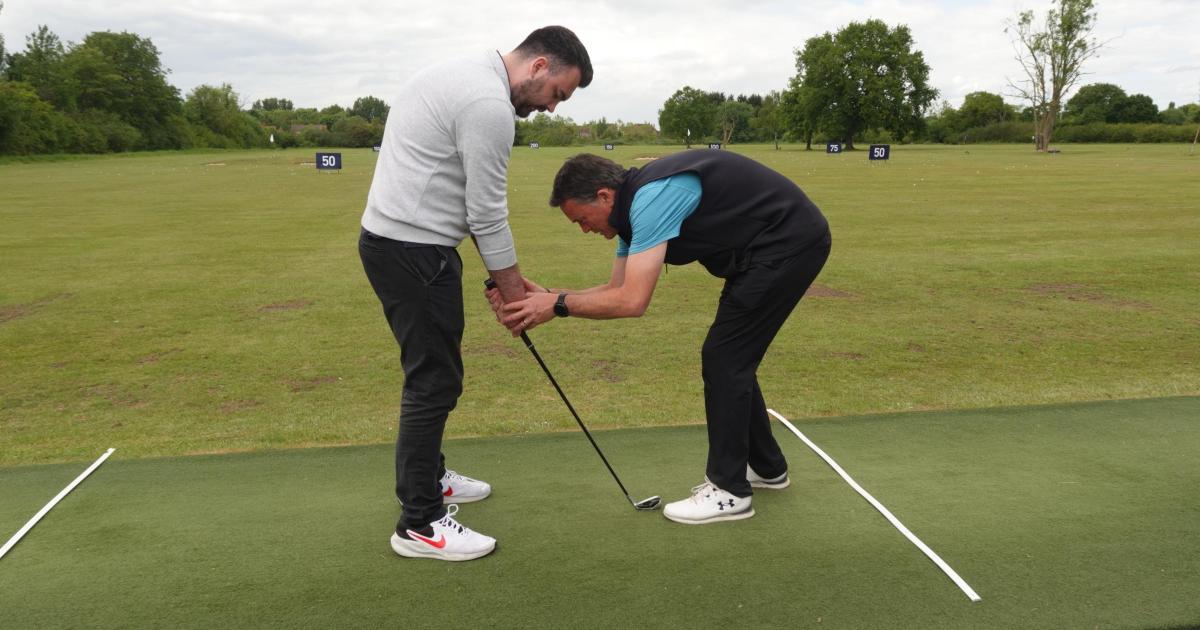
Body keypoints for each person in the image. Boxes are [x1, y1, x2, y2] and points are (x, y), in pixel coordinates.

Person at [495, 150, 831, 525]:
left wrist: (555, 305)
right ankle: (767, 467)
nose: (585, 229)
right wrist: (548, 296)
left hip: (789, 243)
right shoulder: (632, 212)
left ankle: (729, 490)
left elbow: (632, 301)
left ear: (605, 197)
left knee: (725, 357)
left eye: (582, 219)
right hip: (767, 249)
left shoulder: (652, 200)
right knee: (729, 357)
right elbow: (616, 287)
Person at [358, 26, 592, 561]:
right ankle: (419, 522)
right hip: (413, 251)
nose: (552, 109)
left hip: (404, 244)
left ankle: (432, 477)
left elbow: (463, 202)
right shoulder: (488, 105)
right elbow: (485, 213)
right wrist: (516, 299)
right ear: (539, 66)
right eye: (558, 93)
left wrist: (499, 282)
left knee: (435, 372)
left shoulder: (462, 70)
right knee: (434, 380)